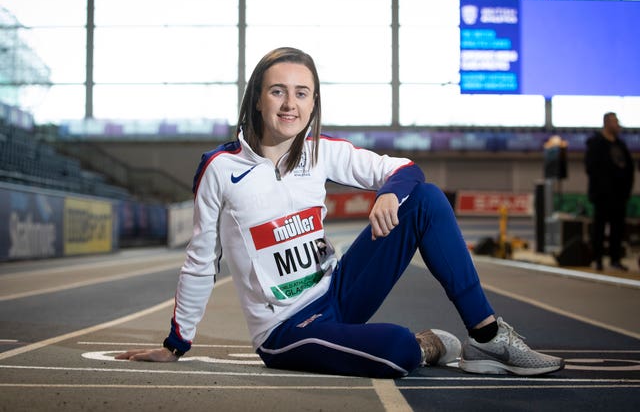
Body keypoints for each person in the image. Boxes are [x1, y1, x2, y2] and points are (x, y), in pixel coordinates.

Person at [116, 47, 564, 378]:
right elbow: (199, 262)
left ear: (313, 104)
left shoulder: (321, 153)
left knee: (424, 198)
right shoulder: (220, 168)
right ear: (257, 98)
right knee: (397, 351)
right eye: (278, 91)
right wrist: (176, 345)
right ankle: (426, 345)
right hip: (285, 328)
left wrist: (388, 194)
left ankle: (488, 340)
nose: (290, 104)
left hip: (338, 292)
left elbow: (407, 169)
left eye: (301, 93)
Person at [585, 112, 634, 271]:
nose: (617, 124)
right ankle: (597, 259)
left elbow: (629, 168)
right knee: (599, 227)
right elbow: (591, 168)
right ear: (606, 123)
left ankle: (615, 259)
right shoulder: (596, 143)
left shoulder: (621, 145)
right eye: (614, 121)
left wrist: (626, 189)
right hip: (603, 195)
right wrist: (601, 187)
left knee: (618, 228)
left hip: (620, 195)